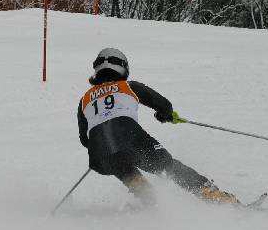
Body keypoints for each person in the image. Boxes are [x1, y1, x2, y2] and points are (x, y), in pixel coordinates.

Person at [76, 48, 239, 207]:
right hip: (130, 138)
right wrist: (165, 115)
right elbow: (164, 105)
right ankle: (211, 193)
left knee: (121, 165)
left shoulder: (84, 100)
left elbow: (84, 139)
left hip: (99, 156)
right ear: (123, 67)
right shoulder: (129, 86)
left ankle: (146, 195)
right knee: (167, 166)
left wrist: (103, 146)